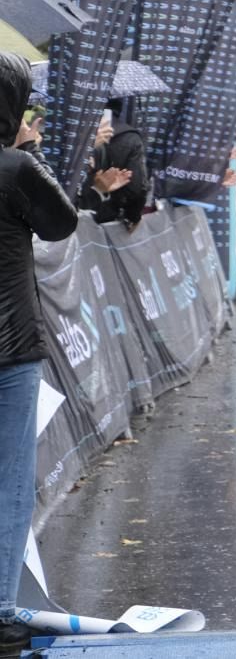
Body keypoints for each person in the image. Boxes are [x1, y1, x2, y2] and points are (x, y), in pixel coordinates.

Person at [1, 53, 82, 649]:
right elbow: (61, 223)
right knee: (9, 482)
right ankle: (1, 609)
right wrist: (29, 152)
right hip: (12, 350)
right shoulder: (16, 169)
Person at [77, 99, 148, 227]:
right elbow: (136, 187)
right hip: (106, 219)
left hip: (67, 218)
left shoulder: (70, 128)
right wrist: (132, 217)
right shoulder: (130, 138)